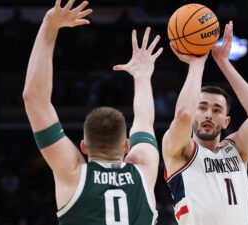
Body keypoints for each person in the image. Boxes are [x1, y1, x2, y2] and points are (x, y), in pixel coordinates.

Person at [22, 0, 163, 224]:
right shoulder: (144, 170)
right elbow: (145, 120)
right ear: (127, 146)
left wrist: (49, 25)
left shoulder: (73, 173)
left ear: (83, 146)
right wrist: (143, 76)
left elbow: (34, 99)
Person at [162, 21, 248, 225]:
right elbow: (183, 114)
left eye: (217, 109)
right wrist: (196, 64)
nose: (209, 114)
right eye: (201, 107)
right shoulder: (179, 150)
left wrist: (223, 62)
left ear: (227, 120)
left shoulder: (236, 150)